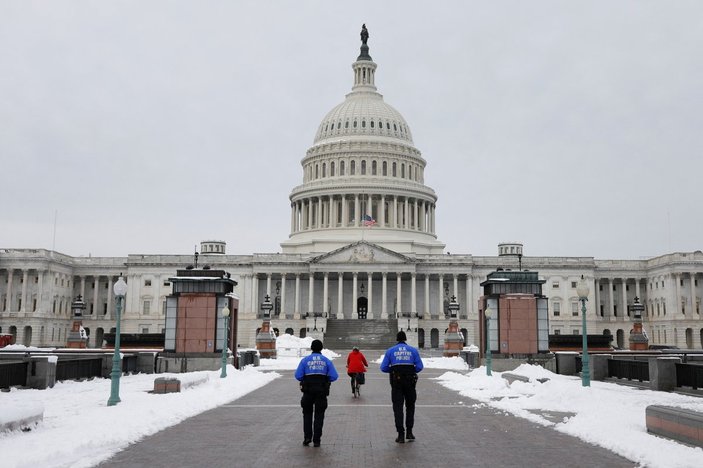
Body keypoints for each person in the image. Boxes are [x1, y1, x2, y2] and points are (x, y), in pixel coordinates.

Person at [380, 331, 424, 443]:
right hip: (410, 382)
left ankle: (400, 434)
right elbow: (419, 366)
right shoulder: (413, 350)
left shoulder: (390, 351)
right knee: (410, 406)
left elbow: (383, 367)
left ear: (397, 339)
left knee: (398, 408)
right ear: (405, 339)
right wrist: (410, 370)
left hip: (396, 383)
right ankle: (409, 432)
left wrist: (394, 370)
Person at [295, 339, 339, 447]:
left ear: (311, 348)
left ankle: (307, 437)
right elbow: (334, 376)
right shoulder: (326, 361)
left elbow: (298, 375)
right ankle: (317, 440)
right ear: (321, 348)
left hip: (308, 392)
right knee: (319, 415)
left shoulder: (305, 360)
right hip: (321, 392)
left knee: (307, 414)